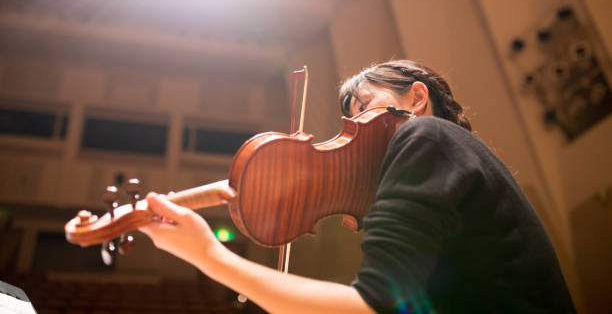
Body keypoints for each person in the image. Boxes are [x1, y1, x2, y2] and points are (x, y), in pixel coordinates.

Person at [140, 60, 576, 313]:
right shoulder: (454, 161)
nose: (358, 127)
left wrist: (208, 255)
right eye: (350, 119)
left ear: (417, 99)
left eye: (365, 107)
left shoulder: (424, 135)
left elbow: (370, 306)